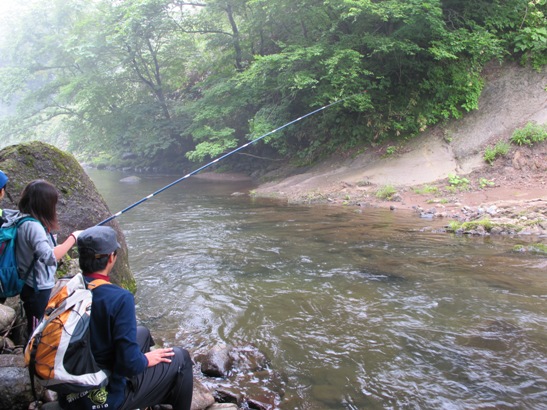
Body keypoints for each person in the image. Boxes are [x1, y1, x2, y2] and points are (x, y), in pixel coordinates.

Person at [59, 226, 193, 410]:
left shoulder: (68, 287)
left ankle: (149, 394)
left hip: (69, 388)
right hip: (102, 398)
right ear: (111, 258)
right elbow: (130, 363)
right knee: (181, 358)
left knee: (143, 333)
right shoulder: (119, 298)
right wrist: (145, 360)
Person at [8, 179, 82, 335]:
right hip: (37, 289)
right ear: (44, 204)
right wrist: (73, 238)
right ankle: (31, 358)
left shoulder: (25, 220)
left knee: (39, 327)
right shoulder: (33, 226)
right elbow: (49, 256)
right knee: (36, 331)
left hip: (34, 286)